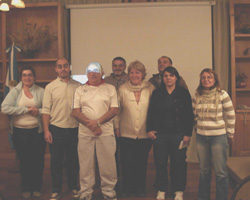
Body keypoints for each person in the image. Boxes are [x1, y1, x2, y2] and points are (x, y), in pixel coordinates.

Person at [72, 62, 119, 200]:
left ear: (102, 73)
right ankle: (86, 192)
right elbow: (75, 112)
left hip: (105, 133)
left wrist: (98, 123)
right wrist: (92, 126)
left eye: (96, 71)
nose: (93, 73)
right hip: (85, 133)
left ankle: (109, 192)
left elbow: (114, 109)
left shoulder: (110, 88)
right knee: (85, 164)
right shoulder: (80, 90)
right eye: (90, 71)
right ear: (86, 74)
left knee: (108, 165)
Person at [147, 66, 194, 200]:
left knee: (178, 163)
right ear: (163, 78)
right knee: (160, 163)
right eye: (166, 76)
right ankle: (161, 189)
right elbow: (151, 112)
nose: (168, 78)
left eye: (171, 75)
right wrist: (149, 129)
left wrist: (187, 134)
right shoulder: (157, 93)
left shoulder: (184, 93)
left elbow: (189, 115)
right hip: (160, 135)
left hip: (178, 134)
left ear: (176, 78)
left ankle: (178, 190)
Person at [1, 66, 46, 199]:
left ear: (34, 77)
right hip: (20, 133)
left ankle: (36, 187)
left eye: (30, 75)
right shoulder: (15, 91)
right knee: (25, 161)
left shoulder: (41, 91)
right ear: (21, 77)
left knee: (37, 161)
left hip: (37, 132)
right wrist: (25, 110)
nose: (27, 77)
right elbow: (5, 107)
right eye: (25, 75)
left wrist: (38, 111)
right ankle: (26, 187)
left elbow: (48, 109)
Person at [192, 68, 235, 200]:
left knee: (220, 171)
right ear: (201, 80)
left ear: (214, 79)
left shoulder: (223, 94)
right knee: (204, 170)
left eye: (209, 77)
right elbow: (194, 116)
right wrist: (197, 130)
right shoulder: (197, 95)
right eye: (203, 77)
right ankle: (203, 197)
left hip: (218, 137)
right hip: (201, 138)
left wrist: (230, 134)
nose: (206, 80)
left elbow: (231, 115)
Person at [42, 58, 81, 200]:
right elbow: (46, 110)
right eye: (60, 66)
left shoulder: (78, 86)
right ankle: (56, 190)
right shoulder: (50, 87)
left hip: (74, 129)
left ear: (69, 67)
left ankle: (74, 187)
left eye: (65, 66)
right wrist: (46, 130)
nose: (63, 69)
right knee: (56, 161)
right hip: (56, 129)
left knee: (73, 161)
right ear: (55, 69)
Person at [117, 60, 155, 197]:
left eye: (137, 72)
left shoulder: (150, 88)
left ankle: (140, 188)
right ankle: (127, 188)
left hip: (145, 133)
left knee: (141, 162)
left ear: (143, 74)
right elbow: (117, 111)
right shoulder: (122, 89)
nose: (134, 75)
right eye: (132, 72)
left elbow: (155, 111)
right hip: (126, 132)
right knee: (127, 162)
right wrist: (116, 128)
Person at [105, 56, 128, 194]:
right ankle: (110, 184)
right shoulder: (106, 81)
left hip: (125, 123)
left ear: (124, 67)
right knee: (110, 156)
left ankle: (123, 183)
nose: (117, 68)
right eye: (115, 65)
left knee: (123, 156)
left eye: (120, 65)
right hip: (107, 123)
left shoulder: (130, 79)